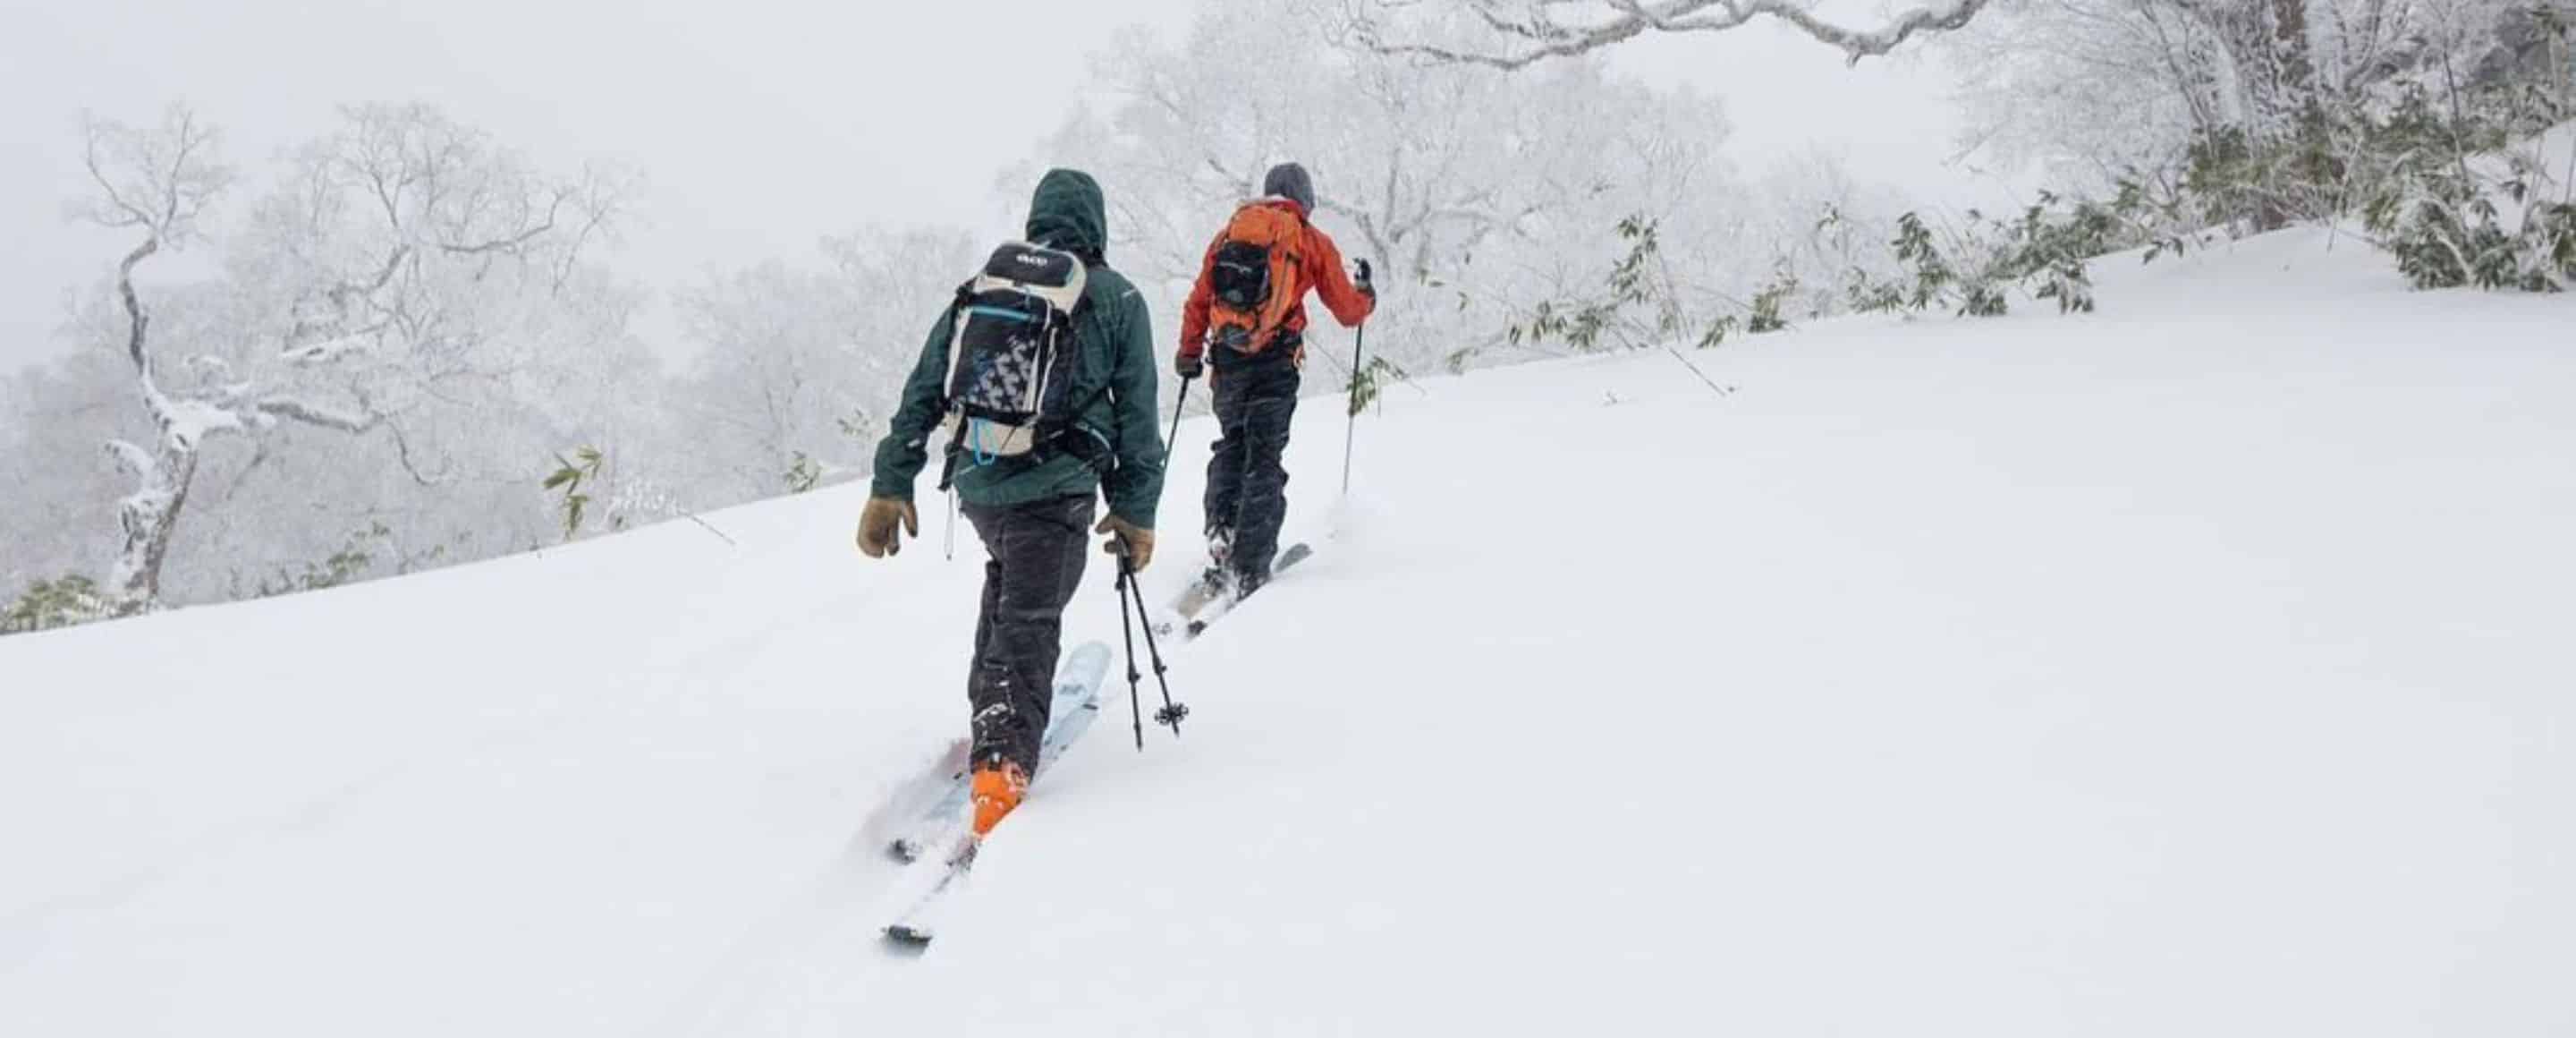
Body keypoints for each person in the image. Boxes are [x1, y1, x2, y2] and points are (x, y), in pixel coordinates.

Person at [855, 168, 1165, 838]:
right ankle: (1000, 767)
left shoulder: (985, 289)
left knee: (1007, 598)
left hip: (980, 486)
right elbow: (1138, 418)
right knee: (1028, 620)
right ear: (1097, 225)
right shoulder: (1117, 298)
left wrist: (891, 481)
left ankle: (990, 723)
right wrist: (1136, 511)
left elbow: (924, 389)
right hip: (1055, 491)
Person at [1175, 162, 1375, 599]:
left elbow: (1199, 300)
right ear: (1305, 198)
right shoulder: (1308, 239)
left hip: (1227, 363)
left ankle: (1221, 532)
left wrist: (1188, 354)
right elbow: (1347, 310)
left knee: (1232, 442)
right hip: (1275, 364)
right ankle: (1251, 562)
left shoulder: (1230, 232)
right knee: (1263, 455)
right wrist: (1366, 296)